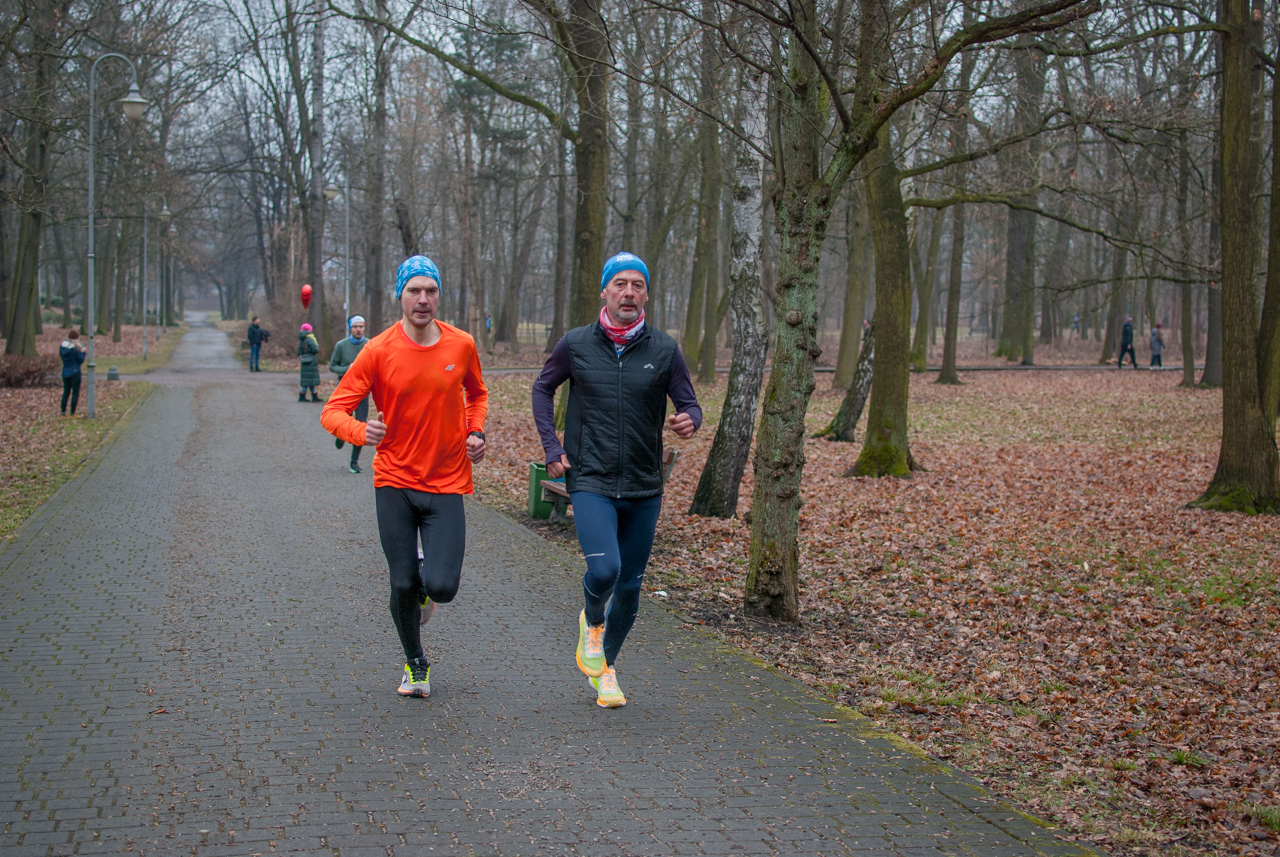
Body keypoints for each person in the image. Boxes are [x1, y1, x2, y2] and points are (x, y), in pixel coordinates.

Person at [532, 251, 702, 709]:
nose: (629, 292)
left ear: (646, 293)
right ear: (605, 291)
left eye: (638, 285)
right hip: (591, 478)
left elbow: (691, 404)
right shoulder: (576, 344)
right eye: (620, 284)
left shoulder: (664, 349)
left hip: (645, 484)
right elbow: (542, 388)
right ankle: (591, 621)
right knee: (605, 570)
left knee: (630, 588)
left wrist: (689, 419)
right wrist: (552, 447)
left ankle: (605, 668)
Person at [321, 256, 488, 699]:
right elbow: (332, 412)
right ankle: (416, 664)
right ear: (401, 296)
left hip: (447, 480)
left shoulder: (461, 345)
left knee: (442, 586)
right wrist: (361, 431)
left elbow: (478, 393)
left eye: (430, 291)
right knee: (401, 582)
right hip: (393, 480)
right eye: (414, 290)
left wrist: (475, 431)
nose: (423, 299)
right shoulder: (376, 350)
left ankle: (425, 587)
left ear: (438, 296)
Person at [329, 315, 371, 473]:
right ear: (350, 329)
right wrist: (348, 368)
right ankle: (341, 435)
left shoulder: (370, 345)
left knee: (360, 426)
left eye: (361, 327)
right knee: (343, 421)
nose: (358, 330)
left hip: (362, 392)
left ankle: (354, 462)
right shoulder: (341, 345)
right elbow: (333, 366)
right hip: (345, 391)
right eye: (355, 327)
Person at [59, 330, 85, 416]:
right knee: (75, 392)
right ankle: (72, 412)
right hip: (75, 371)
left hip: (65, 371)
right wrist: (83, 352)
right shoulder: (76, 348)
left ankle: (63, 411)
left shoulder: (63, 347)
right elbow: (80, 360)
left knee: (66, 391)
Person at [298, 323, 320, 401]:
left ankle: (302, 395)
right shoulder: (310, 339)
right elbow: (315, 349)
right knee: (312, 379)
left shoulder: (302, 339)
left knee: (305, 379)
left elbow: (299, 350)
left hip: (304, 360)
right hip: (312, 361)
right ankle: (314, 396)